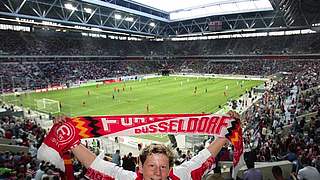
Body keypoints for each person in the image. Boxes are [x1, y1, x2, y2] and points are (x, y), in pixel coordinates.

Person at [43, 111, 239, 180]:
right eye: (151, 166)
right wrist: (68, 133)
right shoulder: (124, 178)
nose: (158, 172)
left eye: (163, 167)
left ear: (171, 168)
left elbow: (205, 156)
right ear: (140, 167)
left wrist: (226, 130)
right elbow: (94, 164)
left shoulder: (183, 175)